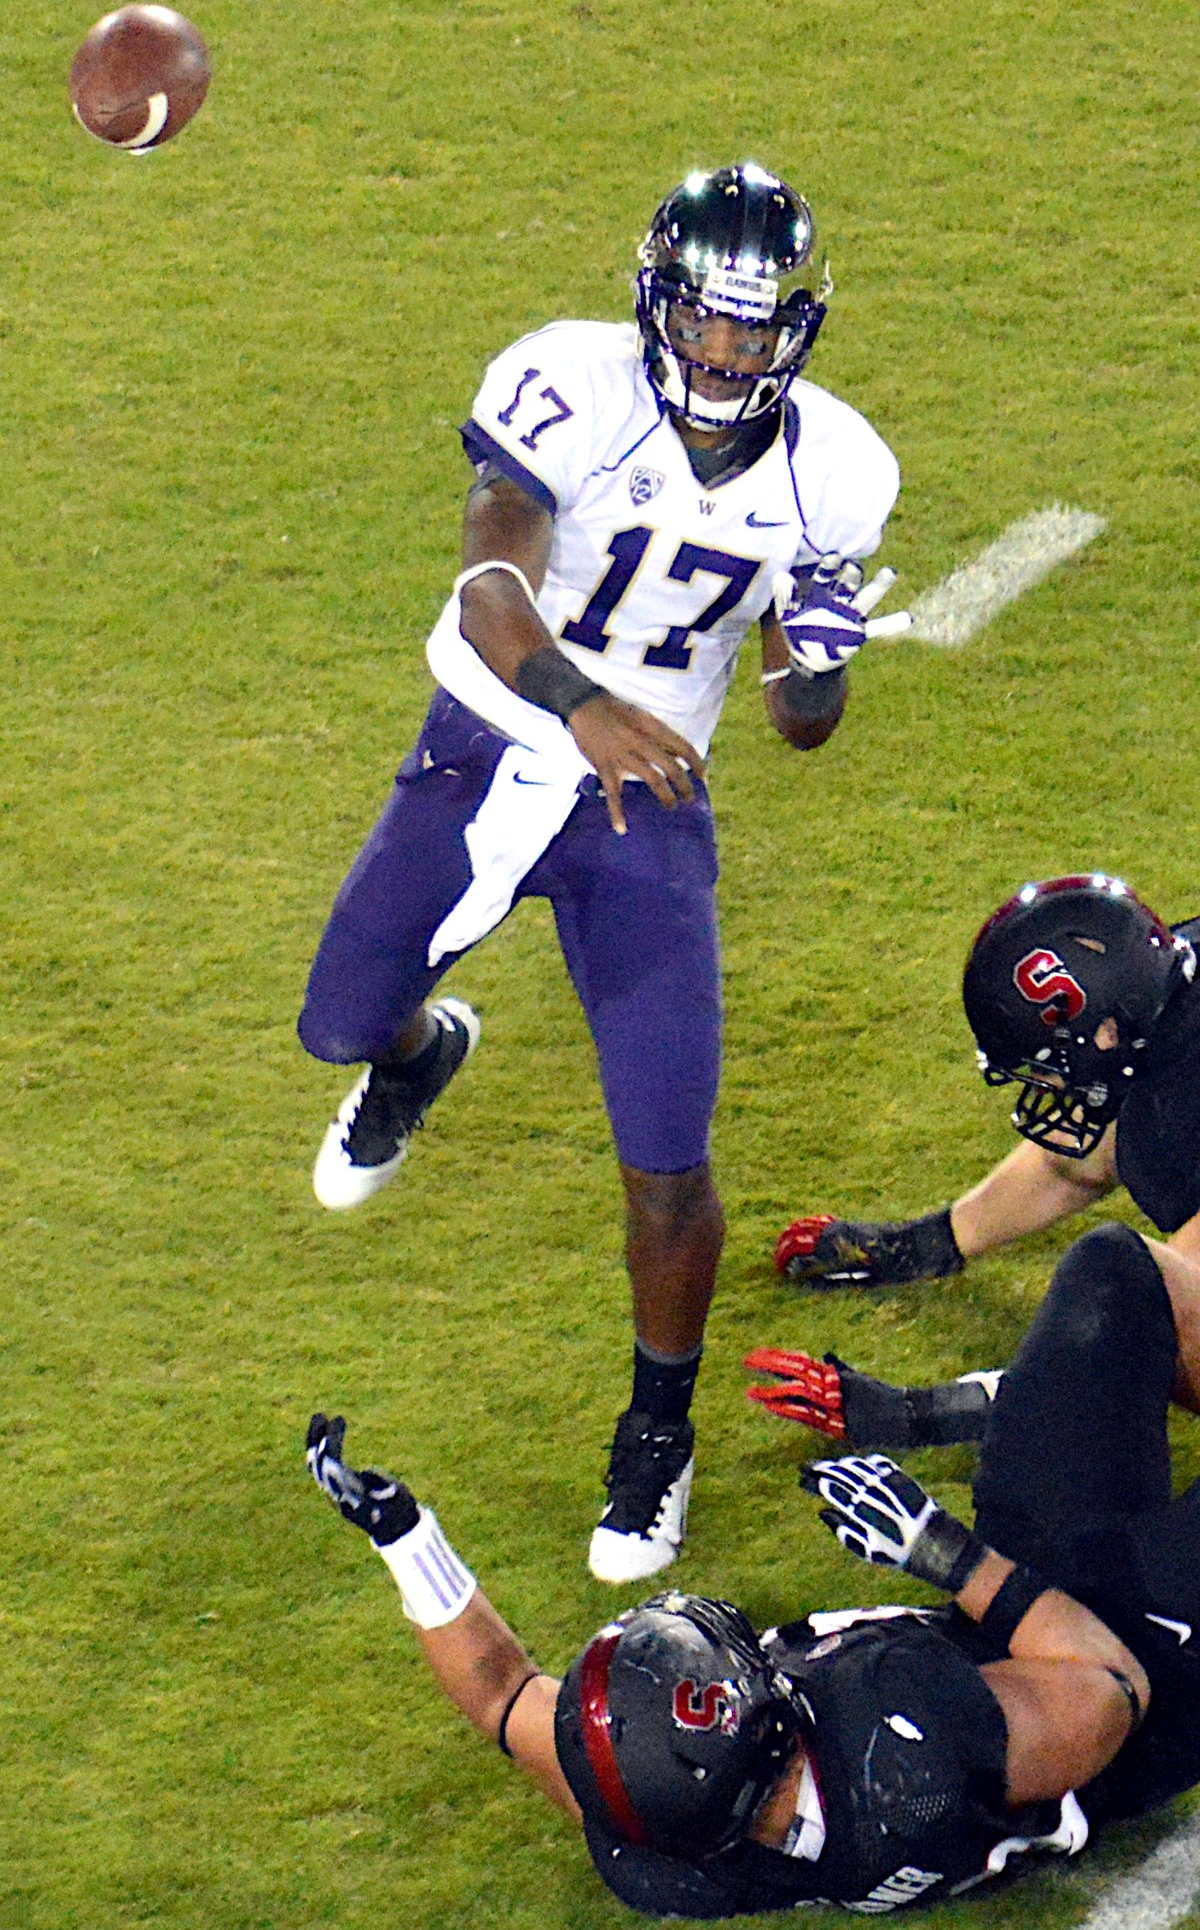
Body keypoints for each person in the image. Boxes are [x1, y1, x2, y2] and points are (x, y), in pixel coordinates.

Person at [297, 162, 902, 1580]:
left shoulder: (840, 468)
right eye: (706, 319)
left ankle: (659, 1429)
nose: (724, 353)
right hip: (491, 744)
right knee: (336, 1019)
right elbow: (490, 582)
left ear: (794, 333)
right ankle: (413, 1052)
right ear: (656, 298)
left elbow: (797, 725)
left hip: (649, 809)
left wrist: (815, 663)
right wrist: (584, 705)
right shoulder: (568, 382)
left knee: (666, 1154)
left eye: (755, 331)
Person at [305, 1219, 1200, 1916]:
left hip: (1007, 1645)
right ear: (772, 1734)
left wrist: (406, 1539)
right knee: (1115, 1287)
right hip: (1131, 1671)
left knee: (1113, 1275)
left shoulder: (654, 1833)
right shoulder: (897, 1752)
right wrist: (938, 1548)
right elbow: (1112, 1685)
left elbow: (502, 1697)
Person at [776, 871, 1200, 1289]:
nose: (1046, 1083)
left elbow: (1183, 1318)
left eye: (1048, 1064)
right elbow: (1083, 1157)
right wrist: (922, 1246)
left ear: (1107, 1033)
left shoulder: (1176, 1105)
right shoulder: (1166, 986)